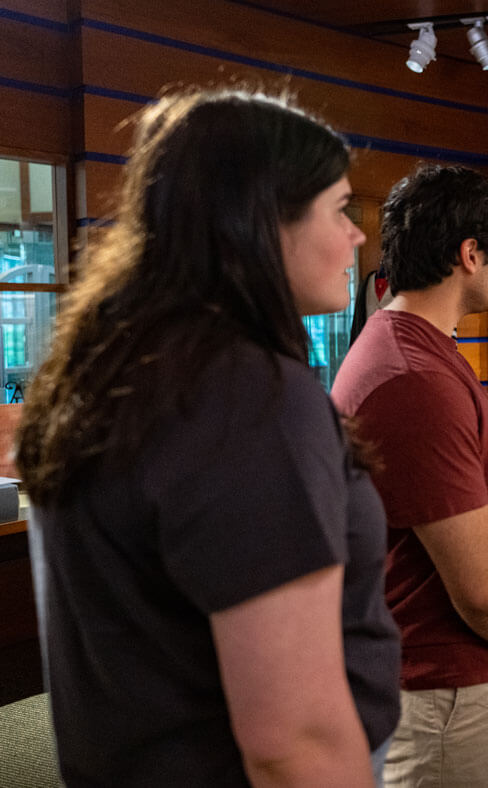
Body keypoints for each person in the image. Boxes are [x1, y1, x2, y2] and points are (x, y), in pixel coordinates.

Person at [15, 89, 400, 786]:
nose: (357, 238)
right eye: (340, 208)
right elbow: (293, 741)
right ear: (259, 221)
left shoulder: (118, 364)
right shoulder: (243, 394)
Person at [331, 164, 488, 788]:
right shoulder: (415, 378)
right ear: (469, 253)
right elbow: (483, 596)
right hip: (441, 693)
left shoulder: (418, 348)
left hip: (445, 681)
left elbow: (478, 505)